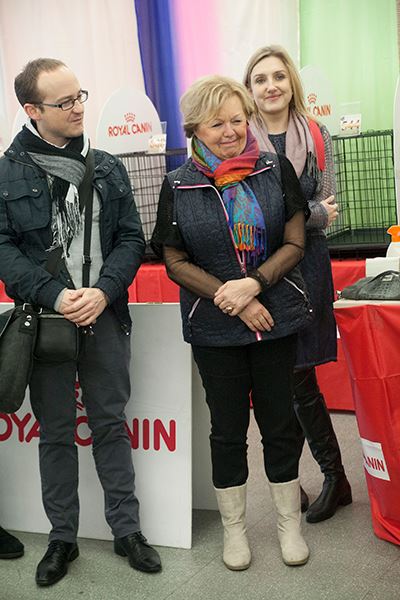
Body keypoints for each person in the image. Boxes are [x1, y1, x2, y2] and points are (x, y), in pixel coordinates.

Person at [0, 58, 161, 586]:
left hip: (104, 315)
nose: (78, 108)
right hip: (45, 321)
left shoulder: (107, 166)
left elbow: (132, 239)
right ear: (32, 109)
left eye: (80, 96)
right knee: (55, 432)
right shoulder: (8, 172)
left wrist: (104, 290)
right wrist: (55, 294)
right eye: (64, 102)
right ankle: (61, 539)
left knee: (110, 424)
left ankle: (127, 531)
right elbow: (3, 250)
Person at [152, 75, 312, 570]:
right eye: (217, 124)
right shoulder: (178, 184)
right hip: (215, 326)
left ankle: (288, 524)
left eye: (238, 120)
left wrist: (255, 283)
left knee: (280, 424)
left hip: (275, 316)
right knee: (226, 430)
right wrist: (237, 298)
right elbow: (174, 259)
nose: (230, 132)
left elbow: (295, 243)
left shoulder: (274, 168)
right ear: (194, 130)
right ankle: (234, 531)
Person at [243, 45, 352, 523]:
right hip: (261, 271)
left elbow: (331, 209)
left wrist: (299, 217)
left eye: (278, 77)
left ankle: (331, 477)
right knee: (278, 379)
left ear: (292, 83)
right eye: (260, 79)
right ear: (249, 89)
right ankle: (306, 480)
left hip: (308, 267)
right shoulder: (239, 140)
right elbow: (253, 218)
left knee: (299, 375)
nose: (271, 86)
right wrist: (308, 214)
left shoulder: (317, 134)